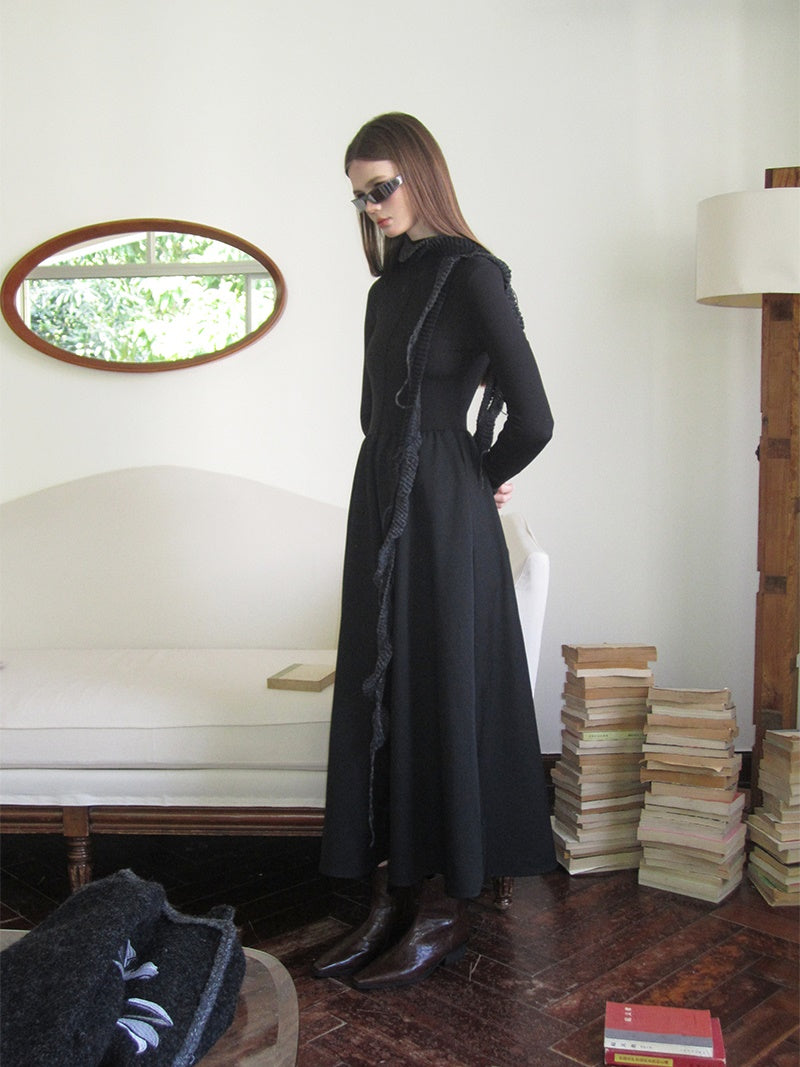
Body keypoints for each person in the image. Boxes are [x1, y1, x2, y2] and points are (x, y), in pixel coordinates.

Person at [314, 113, 556, 991]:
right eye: (358, 196)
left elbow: (535, 416)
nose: (371, 206)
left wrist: (474, 475)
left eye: (380, 187)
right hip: (379, 500)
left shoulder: (474, 274)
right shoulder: (386, 290)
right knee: (385, 689)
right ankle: (396, 893)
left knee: (438, 688)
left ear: (420, 175)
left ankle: (448, 907)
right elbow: (375, 413)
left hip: (443, 515)